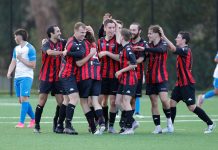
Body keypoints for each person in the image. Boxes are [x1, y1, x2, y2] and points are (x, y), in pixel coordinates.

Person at [160, 28, 216, 134]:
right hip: (180, 84)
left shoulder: (186, 50)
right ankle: (170, 126)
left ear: (184, 40)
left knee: (191, 107)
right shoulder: (182, 50)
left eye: (178, 37)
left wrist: (164, 36)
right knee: (172, 103)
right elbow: (171, 47)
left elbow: (173, 48)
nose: (176, 39)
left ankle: (210, 123)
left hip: (187, 84)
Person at [133, 25, 174, 134]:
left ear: (157, 34)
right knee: (154, 103)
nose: (148, 35)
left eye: (151, 33)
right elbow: (143, 57)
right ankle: (158, 127)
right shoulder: (147, 45)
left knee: (164, 100)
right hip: (150, 78)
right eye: (148, 33)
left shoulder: (163, 44)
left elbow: (160, 50)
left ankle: (169, 122)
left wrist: (145, 49)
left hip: (161, 77)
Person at [55, 22, 87, 135]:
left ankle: (59, 125)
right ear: (76, 31)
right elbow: (80, 53)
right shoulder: (71, 42)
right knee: (74, 98)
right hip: (67, 75)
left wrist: (69, 53)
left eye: (85, 32)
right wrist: (69, 52)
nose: (84, 35)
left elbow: (81, 52)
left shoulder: (80, 42)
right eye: (82, 32)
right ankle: (68, 126)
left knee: (66, 100)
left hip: (69, 75)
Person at [34, 25, 65, 133]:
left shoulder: (63, 42)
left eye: (59, 30)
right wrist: (62, 52)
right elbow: (49, 52)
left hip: (58, 78)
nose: (60, 32)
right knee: (42, 101)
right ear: (51, 33)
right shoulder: (46, 43)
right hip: (46, 77)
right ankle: (36, 125)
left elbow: (72, 42)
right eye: (57, 31)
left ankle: (56, 123)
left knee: (62, 102)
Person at [76, 26, 106, 135]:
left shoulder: (81, 44)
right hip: (97, 76)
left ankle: (93, 128)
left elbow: (79, 62)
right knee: (95, 101)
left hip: (86, 76)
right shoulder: (95, 45)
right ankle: (102, 123)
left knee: (83, 102)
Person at [7, 28, 36, 128]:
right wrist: (9, 71)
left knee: (24, 98)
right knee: (21, 100)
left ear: (20, 36)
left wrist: (21, 59)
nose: (14, 38)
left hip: (26, 76)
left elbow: (33, 65)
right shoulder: (16, 49)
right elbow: (13, 61)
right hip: (17, 77)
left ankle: (21, 122)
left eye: (15, 36)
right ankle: (34, 119)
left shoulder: (30, 48)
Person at [98, 19, 121, 133]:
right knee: (101, 101)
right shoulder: (99, 41)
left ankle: (111, 126)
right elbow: (96, 56)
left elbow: (120, 57)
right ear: (105, 28)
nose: (112, 30)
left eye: (113, 28)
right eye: (110, 28)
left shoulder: (118, 42)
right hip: (102, 76)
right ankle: (103, 123)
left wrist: (107, 53)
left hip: (114, 76)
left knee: (113, 102)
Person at [115, 28, 138, 135]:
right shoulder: (123, 48)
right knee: (117, 102)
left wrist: (120, 71)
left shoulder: (128, 48)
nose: (117, 37)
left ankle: (129, 128)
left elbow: (134, 64)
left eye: (119, 35)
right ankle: (132, 121)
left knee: (126, 101)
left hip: (130, 78)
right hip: (123, 79)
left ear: (123, 37)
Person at [130, 22, 146, 119]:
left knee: (133, 99)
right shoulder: (127, 41)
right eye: (130, 30)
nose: (131, 32)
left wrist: (130, 63)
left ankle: (129, 122)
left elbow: (141, 59)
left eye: (134, 30)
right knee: (123, 98)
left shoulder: (143, 44)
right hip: (125, 75)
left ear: (139, 31)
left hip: (137, 76)